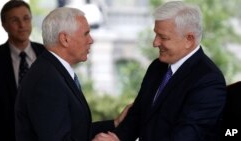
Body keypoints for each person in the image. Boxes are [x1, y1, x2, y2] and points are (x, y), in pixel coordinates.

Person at [92, 1, 226, 141]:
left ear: (189, 39)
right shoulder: (158, 67)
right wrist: (115, 137)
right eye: (156, 35)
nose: (155, 43)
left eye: (163, 37)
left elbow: (186, 136)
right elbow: (137, 116)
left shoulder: (208, 81)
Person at [14, 7, 130, 141]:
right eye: (86, 34)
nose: (91, 40)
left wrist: (114, 123)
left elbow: (75, 130)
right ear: (65, 39)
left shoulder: (53, 71)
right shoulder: (47, 80)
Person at [0, 1, 45, 141]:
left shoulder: (47, 55)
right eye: (15, 20)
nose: (22, 25)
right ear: (4, 25)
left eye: (26, 18)